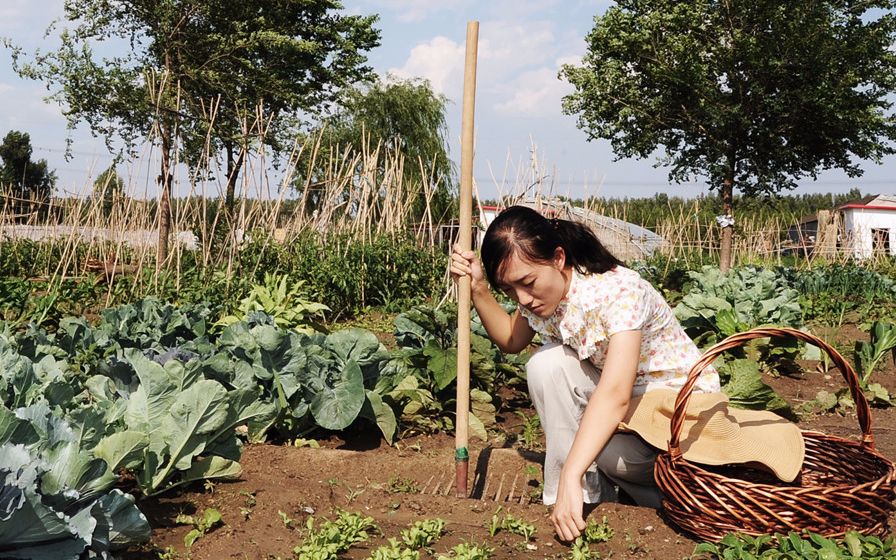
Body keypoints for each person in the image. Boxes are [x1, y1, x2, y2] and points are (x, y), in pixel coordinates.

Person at [449, 205, 721, 542]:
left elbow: (615, 395)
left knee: (608, 457)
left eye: (527, 282)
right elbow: (510, 338)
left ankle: (675, 504)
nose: (523, 299)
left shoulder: (617, 293)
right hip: (633, 414)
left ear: (558, 258)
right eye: (509, 291)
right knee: (547, 365)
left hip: (678, 417)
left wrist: (569, 474)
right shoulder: (548, 297)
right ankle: (584, 502)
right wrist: (478, 288)